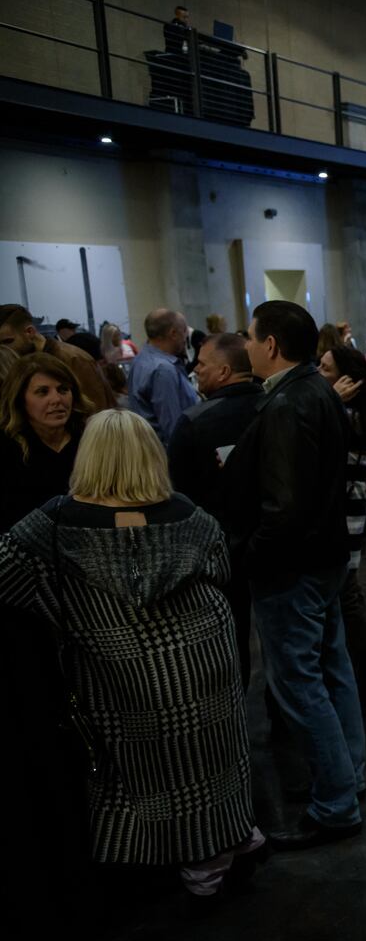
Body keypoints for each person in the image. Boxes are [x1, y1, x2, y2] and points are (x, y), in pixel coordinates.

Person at [0, 409, 264, 901]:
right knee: (212, 759)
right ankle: (221, 850)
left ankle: (161, 860)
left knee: (139, 770)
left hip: (115, 669)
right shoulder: (185, 512)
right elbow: (222, 565)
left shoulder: (52, 525)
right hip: (204, 655)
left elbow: (9, 579)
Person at [227, 300, 365, 849]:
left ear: (271, 346)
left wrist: (248, 558)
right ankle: (348, 780)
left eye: (251, 337)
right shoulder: (317, 391)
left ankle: (335, 803)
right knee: (334, 671)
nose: (246, 346)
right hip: (325, 557)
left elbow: (283, 507)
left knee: (300, 684)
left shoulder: (288, 403)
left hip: (295, 566)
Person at [168, 333, 262, 683]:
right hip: (278, 542)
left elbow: (181, 496)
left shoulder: (194, 422)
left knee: (233, 639)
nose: (195, 369)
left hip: (220, 551)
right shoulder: (277, 407)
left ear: (223, 372)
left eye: (202, 364)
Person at [314, 345, 366, 717]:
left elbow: (334, 457)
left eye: (326, 368)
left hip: (346, 513)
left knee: (348, 597)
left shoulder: (351, 414)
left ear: (347, 378)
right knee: (347, 598)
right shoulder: (342, 409)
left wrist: (328, 401)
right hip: (344, 510)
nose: (318, 371)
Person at [0, 353, 89, 530]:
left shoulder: (90, 438)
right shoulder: (6, 447)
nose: (57, 400)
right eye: (42, 392)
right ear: (20, 399)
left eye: (63, 389)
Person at [0, 304, 116, 413]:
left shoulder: (73, 359)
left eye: (7, 342)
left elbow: (97, 412)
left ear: (30, 332)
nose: (3, 349)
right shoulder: (19, 363)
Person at [125, 309, 198, 444]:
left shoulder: (140, 360)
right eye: (184, 332)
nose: (186, 339)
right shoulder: (163, 370)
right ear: (173, 334)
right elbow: (173, 427)